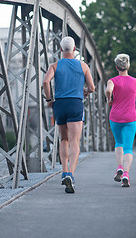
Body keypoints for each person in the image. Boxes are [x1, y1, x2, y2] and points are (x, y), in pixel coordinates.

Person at [43, 36, 95, 193]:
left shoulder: (55, 65)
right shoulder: (83, 66)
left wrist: (49, 99)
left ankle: (64, 171)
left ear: (60, 49)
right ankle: (71, 174)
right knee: (75, 141)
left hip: (60, 104)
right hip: (75, 104)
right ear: (74, 49)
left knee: (64, 139)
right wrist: (85, 91)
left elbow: (45, 82)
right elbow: (92, 88)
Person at [105, 54, 136, 187]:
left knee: (118, 142)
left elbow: (108, 90)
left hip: (115, 117)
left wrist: (109, 99)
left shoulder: (112, 81)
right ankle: (126, 173)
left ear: (116, 67)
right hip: (130, 118)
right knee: (128, 148)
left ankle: (119, 167)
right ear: (128, 66)